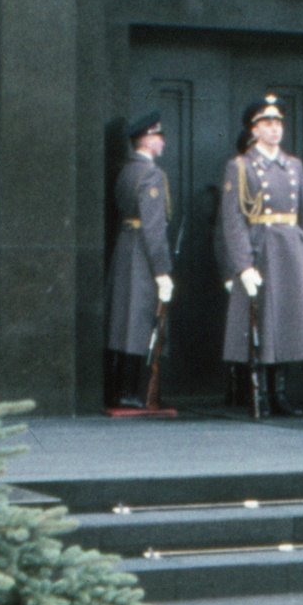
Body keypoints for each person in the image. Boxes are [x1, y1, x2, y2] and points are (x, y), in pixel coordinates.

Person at [217, 94, 303, 416]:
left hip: (290, 248)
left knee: (287, 322)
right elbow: (232, 220)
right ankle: (257, 393)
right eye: (267, 123)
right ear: (254, 129)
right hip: (261, 248)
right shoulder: (241, 166)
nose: (274, 129)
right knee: (261, 322)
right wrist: (243, 264)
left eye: (278, 123)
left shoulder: (294, 165)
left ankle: (280, 393)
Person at [105, 112, 173, 410]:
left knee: (124, 321)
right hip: (143, 253)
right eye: (158, 136)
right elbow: (154, 227)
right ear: (146, 139)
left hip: (126, 247)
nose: (162, 141)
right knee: (140, 321)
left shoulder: (127, 170)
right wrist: (162, 271)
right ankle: (132, 392)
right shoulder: (151, 174)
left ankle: (120, 389)